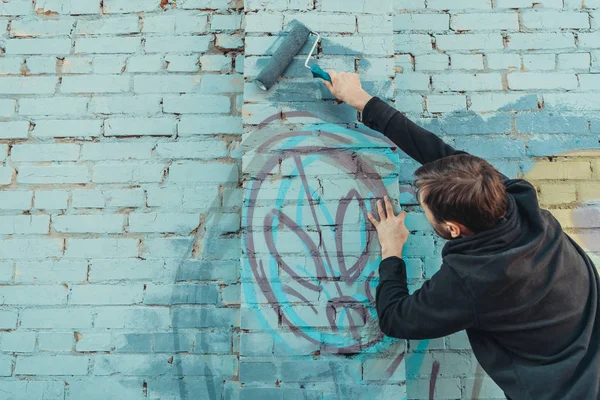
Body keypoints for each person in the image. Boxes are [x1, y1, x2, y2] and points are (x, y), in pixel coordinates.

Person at [322, 71, 600, 400]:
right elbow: (442, 155)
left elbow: (397, 319)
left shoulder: (472, 280)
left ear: (452, 229)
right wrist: (363, 101)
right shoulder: (515, 203)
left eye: (424, 209)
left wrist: (391, 250)